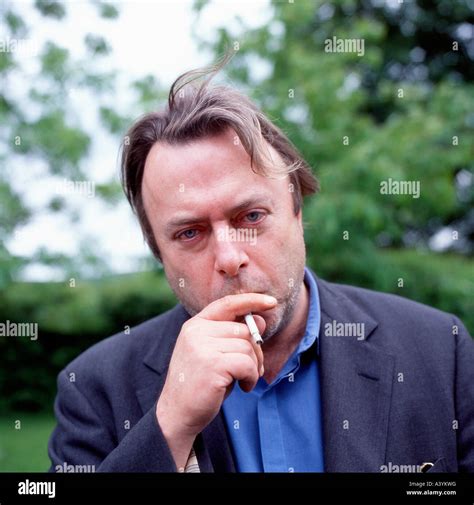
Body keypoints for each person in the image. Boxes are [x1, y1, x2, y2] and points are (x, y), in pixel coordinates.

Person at [48, 62, 474, 473]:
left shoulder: (439, 351)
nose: (230, 258)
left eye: (251, 217)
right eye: (190, 233)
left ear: (296, 210)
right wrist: (170, 427)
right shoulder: (93, 389)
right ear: (159, 251)